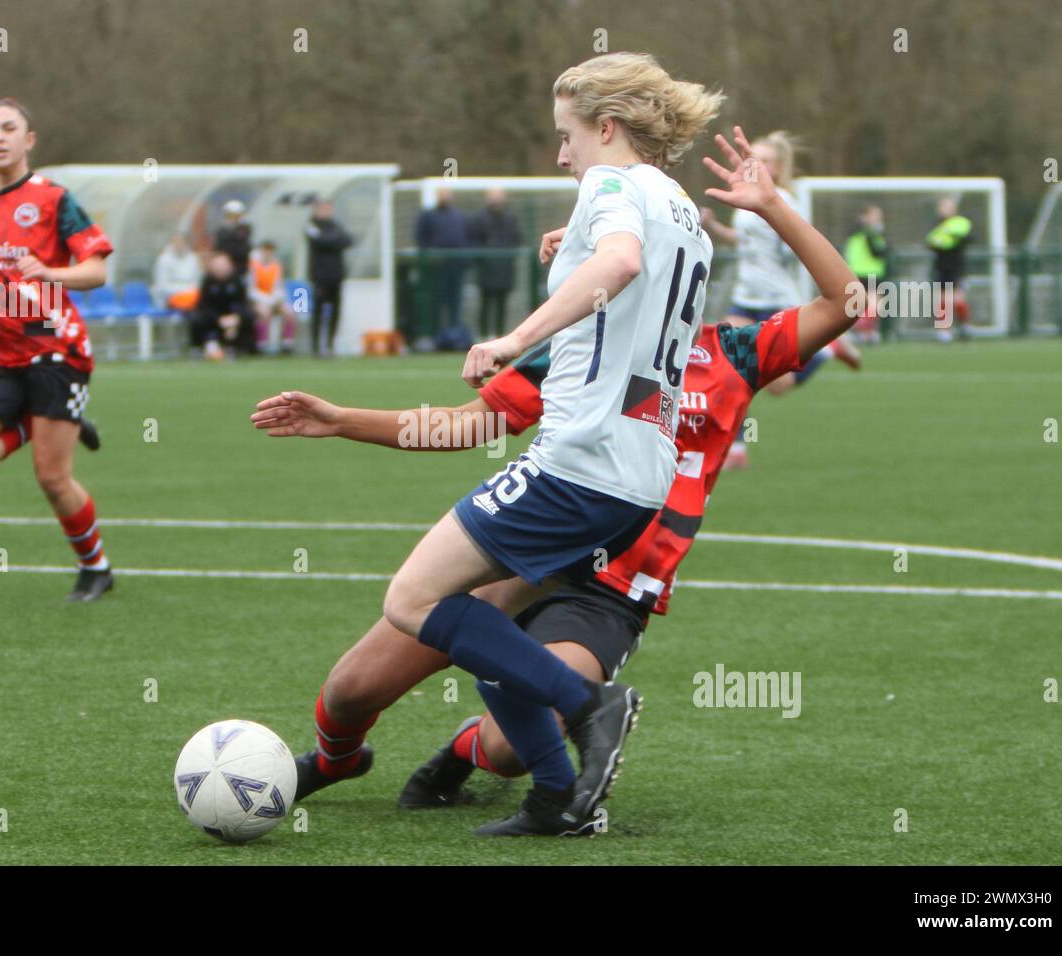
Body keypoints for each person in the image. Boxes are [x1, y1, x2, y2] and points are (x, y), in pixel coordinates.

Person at [251, 123, 867, 830]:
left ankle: (465, 753)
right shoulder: (584, 348)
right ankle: (335, 761)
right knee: (349, 690)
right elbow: (465, 426)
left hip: (608, 589)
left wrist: (775, 208)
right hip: (531, 551)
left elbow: (849, 303)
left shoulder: (734, 354)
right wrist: (341, 420)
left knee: (510, 748)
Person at [262, 53, 723, 836]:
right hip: (641, 474)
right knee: (482, 622)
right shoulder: (681, 210)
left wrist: (516, 335)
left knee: (413, 599)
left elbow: (619, 261)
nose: (561, 154)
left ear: (605, 127)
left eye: (567, 136)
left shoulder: (610, 187)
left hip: (580, 457)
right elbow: (624, 269)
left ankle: (591, 708)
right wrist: (572, 247)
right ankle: (553, 797)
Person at [0, 98, 114, 602]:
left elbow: (97, 270)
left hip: (56, 348)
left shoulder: (55, 199)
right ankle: (42, 421)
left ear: (28, 139)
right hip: (0, 353)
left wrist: (51, 272)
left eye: (9, 128)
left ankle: (96, 567)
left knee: (53, 479)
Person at [701, 130, 859, 470]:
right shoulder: (742, 194)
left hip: (778, 298)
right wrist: (715, 227)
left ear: (778, 166)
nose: (758, 164)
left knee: (777, 387)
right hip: (745, 297)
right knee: (729, 372)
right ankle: (738, 447)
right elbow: (745, 241)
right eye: (753, 156)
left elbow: (793, 247)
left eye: (767, 160)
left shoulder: (784, 199)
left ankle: (828, 350)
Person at [415, 187, 471, 342]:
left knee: (455, 302)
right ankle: (434, 336)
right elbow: (421, 238)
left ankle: (454, 335)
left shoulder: (459, 216)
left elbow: (466, 238)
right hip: (437, 268)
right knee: (436, 301)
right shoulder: (428, 215)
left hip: (456, 267)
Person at [468, 188, 522, 338]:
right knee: (485, 303)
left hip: (504, 269)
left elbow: (516, 239)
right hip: (486, 270)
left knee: (502, 303)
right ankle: (483, 334)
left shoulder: (510, 218)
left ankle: (499, 334)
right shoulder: (479, 218)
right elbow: (474, 241)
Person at [303, 200, 353, 355]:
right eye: (324, 208)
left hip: (336, 275)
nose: (327, 211)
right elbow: (322, 241)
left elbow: (348, 240)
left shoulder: (335, 225)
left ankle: (331, 344)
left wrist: (332, 240)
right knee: (318, 311)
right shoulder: (311, 225)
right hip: (320, 276)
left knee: (335, 311)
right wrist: (333, 240)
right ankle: (316, 347)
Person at [189, 251, 253, 359]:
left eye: (223, 266)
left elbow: (243, 304)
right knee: (196, 318)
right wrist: (219, 319)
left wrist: (236, 318)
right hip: (214, 318)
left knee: (249, 316)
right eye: (217, 266)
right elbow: (204, 306)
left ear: (229, 266)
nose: (220, 269)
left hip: (232, 317)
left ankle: (242, 348)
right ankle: (200, 347)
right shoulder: (208, 281)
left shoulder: (237, 281)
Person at [927, 196, 973, 342]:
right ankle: (944, 331)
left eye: (948, 206)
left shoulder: (960, 223)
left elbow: (967, 238)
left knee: (957, 299)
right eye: (943, 207)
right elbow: (931, 242)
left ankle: (965, 326)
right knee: (942, 300)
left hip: (956, 268)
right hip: (941, 268)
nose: (945, 210)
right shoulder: (937, 225)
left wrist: (950, 238)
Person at [842, 205, 890, 342]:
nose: (878, 219)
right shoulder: (869, 234)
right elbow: (878, 252)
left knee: (868, 305)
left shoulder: (859, 234)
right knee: (873, 305)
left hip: (862, 272)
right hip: (868, 272)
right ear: (865, 217)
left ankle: (867, 332)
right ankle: (863, 331)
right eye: (875, 215)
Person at [248, 240, 297, 354]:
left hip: (274, 299)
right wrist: (264, 299)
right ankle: (262, 344)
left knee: (289, 311)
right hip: (258, 299)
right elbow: (251, 289)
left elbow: (279, 286)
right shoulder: (253, 265)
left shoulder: (276, 265)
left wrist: (275, 298)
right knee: (264, 312)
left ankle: (287, 344)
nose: (268, 254)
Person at [151, 232, 202, 310]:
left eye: (181, 241)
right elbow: (162, 286)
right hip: (169, 298)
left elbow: (197, 281)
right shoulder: (163, 260)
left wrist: (190, 291)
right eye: (176, 241)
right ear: (171, 243)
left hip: (191, 296)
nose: (179, 245)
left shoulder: (193, 258)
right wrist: (184, 291)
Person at [213, 200, 252, 282]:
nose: (233, 219)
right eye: (230, 216)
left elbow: (244, 250)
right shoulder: (221, 231)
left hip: (241, 269)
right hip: (223, 270)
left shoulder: (245, 230)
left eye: (236, 216)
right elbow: (219, 249)